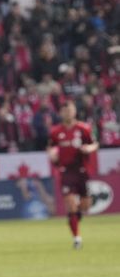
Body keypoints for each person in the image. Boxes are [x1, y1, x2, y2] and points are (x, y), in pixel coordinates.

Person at [48, 100, 99, 249]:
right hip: (66, 172)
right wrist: (52, 154)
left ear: (74, 111)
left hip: (82, 171)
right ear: (61, 113)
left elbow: (94, 144)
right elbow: (51, 147)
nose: (67, 113)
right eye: (64, 111)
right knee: (70, 204)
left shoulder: (84, 128)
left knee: (85, 205)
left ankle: (76, 216)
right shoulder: (55, 131)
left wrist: (89, 149)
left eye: (70, 110)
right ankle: (77, 239)